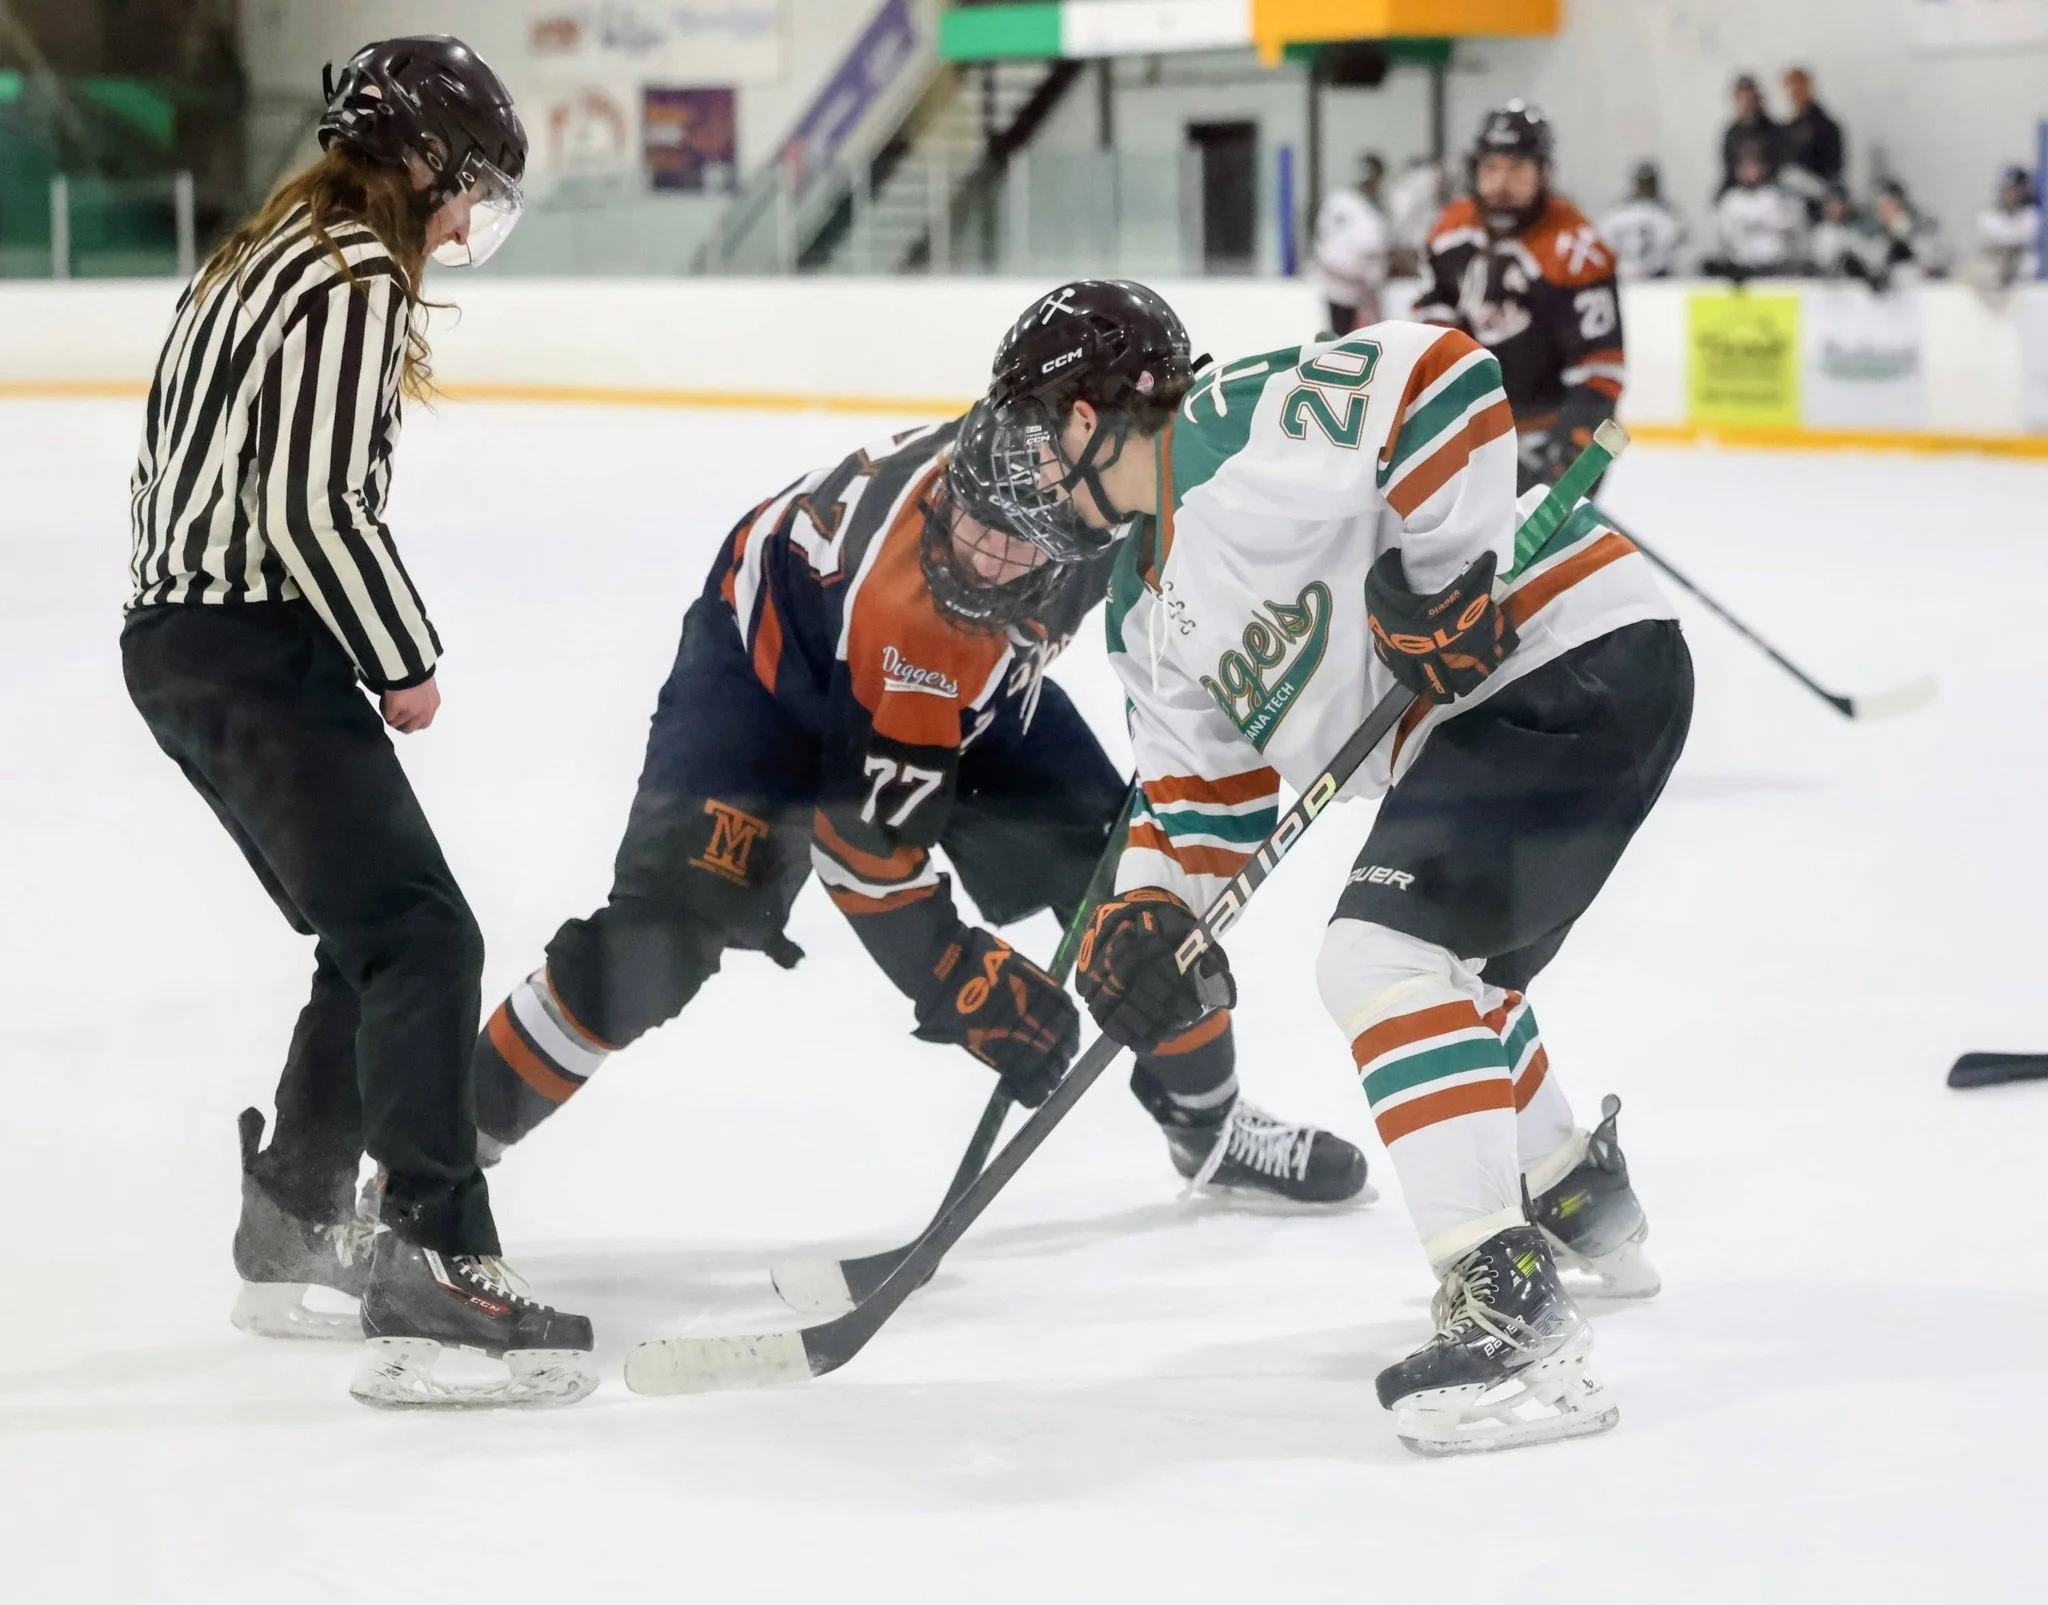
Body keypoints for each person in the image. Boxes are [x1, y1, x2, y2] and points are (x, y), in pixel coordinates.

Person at [978, 280, 1691, 1455]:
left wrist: (1445, 576)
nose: (1033, 471)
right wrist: (1148, 918)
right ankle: (1572, 1188)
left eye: (1043, 428)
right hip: (1479, 726)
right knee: (1446, 978)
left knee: (1380, 956)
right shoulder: (1136, 614)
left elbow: (1442, 377)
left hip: (1574, 651)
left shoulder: (1236, 424)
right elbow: (1198, 796)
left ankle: (1505, 1302)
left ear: (1111, 407)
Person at [467, 386, 1367, 1207]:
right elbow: (864, 850)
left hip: (966, 674)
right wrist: (955, 975)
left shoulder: (1099, 495)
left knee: (1128, 885)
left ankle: (1209, 1128)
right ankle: (441, 1155)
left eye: (1020, 534)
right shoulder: (923, 603)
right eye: (972, 517)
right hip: (771, 685)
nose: (981, 552)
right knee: (659, 938)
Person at [122, 36, 594, 1410]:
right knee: (426, 934)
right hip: (245, 646)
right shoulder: (349, 278)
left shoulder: (259, 254)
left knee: (373, 929)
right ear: (421, 162)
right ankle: (433, 1265)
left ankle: (292, 1223)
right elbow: (313, 508)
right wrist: (403, 657)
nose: (460, 225)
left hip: (184, 641)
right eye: (464, 193)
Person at [1415, 103, 1625, 493]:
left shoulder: (1577, 249)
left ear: (1544, 173)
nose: (1500, 184)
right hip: (1469, 436)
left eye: (1516, 169)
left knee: (1541, 555)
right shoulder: (1451, 230)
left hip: (1548, 433)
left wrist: (1570, 445)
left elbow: (1602, 365)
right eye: (1490, 168)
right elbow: (1431, 328)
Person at [1310, 152, 1392, 335]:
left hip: (1367, 290)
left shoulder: (1377, 207)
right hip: (1339, 284)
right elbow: (1327, 240)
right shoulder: (1342, 201)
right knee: (1341, 338)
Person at [1704, 142, 1806, 280]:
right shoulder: (1730, 201)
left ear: (1763, 168)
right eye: (1744, 167)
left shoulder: (1778, 198)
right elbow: (1723, 236)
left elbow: (1795, 230)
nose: (1749, 172)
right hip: (1742, 271)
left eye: (1753, 166)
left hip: (1777, 269)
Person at [1598, 161, 1687, 281]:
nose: (1646, 188)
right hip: (1625, 275)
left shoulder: (1617, 212)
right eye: (1643, 183)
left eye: (1648, 184)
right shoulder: (1666, 214)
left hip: (1656, 276)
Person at [1776, 67, 1845, 219]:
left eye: (1799, 85)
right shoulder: (1787, 128)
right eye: (1790, 87)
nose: (1794, 92)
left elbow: (1833, 167)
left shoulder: (1826, 126)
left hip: (1820, 189)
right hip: (1791, 194)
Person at [1975, 166, 2041, 289]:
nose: (2011, 194)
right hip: (1994, 278)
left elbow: (2023, 241)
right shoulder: (1988, 217)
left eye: (2015, 190)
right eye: (2007, 190)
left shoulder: (2032, 216)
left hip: (2023, 280)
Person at [1719, 73, 1780, 197]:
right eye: (1742, 98)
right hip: (1740, 191)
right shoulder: (1732, 134)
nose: (1746, 102)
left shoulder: (1773, 130)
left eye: (1750, 98)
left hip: (1770, 189)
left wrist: (1762, 171)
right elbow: (1729, 168)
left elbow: (1780, 162)